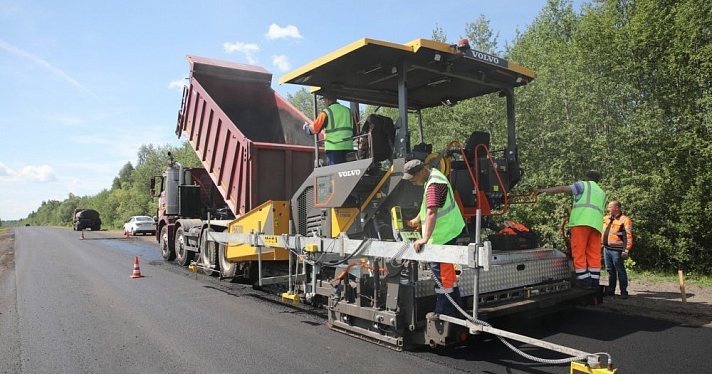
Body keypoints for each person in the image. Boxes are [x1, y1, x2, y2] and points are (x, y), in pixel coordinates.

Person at [403, 159, 466, 316]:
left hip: (443, 236)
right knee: (447, 275)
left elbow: (432, 212)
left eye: (413, 179)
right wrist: (417, 220)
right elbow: (427, 206)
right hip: (445, 233)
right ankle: (456, 307)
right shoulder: (432, 178)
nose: (412, 183)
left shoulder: (434, 184)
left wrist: (424, 238)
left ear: (422, 171)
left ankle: (444, 311)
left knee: (443, 276)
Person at [535, 170, 606, 288]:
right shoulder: (602, 192)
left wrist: (543, 191)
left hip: (581, 222)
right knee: (594, 253)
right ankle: (594, 281)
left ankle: (584, 281)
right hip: (596, 225)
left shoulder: (583, 185)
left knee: (579, 251)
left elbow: (563, 189)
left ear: (586, 177)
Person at [302, 95, 356, 165]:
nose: (324, 102)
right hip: (348, 147)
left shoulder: (326, 112)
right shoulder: (348, 111)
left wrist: (306, 127)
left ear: (327, 100)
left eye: (324, 100)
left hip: (334, 148)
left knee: (335, 173)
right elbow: (355, 131)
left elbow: (315, 129)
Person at [602, 200, 633, 299]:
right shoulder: (606, 218)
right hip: (606, 249)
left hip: (617, 250)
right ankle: (611, 290)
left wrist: (626, 250)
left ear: (617, 208)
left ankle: (623, 292)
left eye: (610, 207)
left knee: (620, 270)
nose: (608, 209)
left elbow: (628, 237)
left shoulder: (625, 220)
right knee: (610, 270)